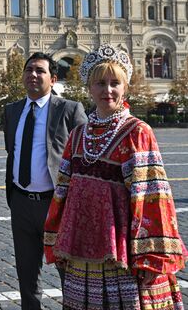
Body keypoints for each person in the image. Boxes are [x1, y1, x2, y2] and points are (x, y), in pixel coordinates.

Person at [44, 44, 186, 309]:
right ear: (89, 87)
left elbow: (153, 196)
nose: (107, 90)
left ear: (124, 88)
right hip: (80, 249)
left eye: (114, 83)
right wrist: (59, 237)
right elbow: (63, 191)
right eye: (100, 83)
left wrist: (151, 255)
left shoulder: (137, 132)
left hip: (122, 250)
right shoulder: (77, 136)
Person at [2, 52, 87, 310]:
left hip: (57, 205)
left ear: (53, 77)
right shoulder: (12, 111)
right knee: (26, 275)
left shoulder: (70, 109)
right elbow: (12, 151)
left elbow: (84, 155)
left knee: (68, 274)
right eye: (29, 70)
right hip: (21, 202)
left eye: (40, 70)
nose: (33, 75)